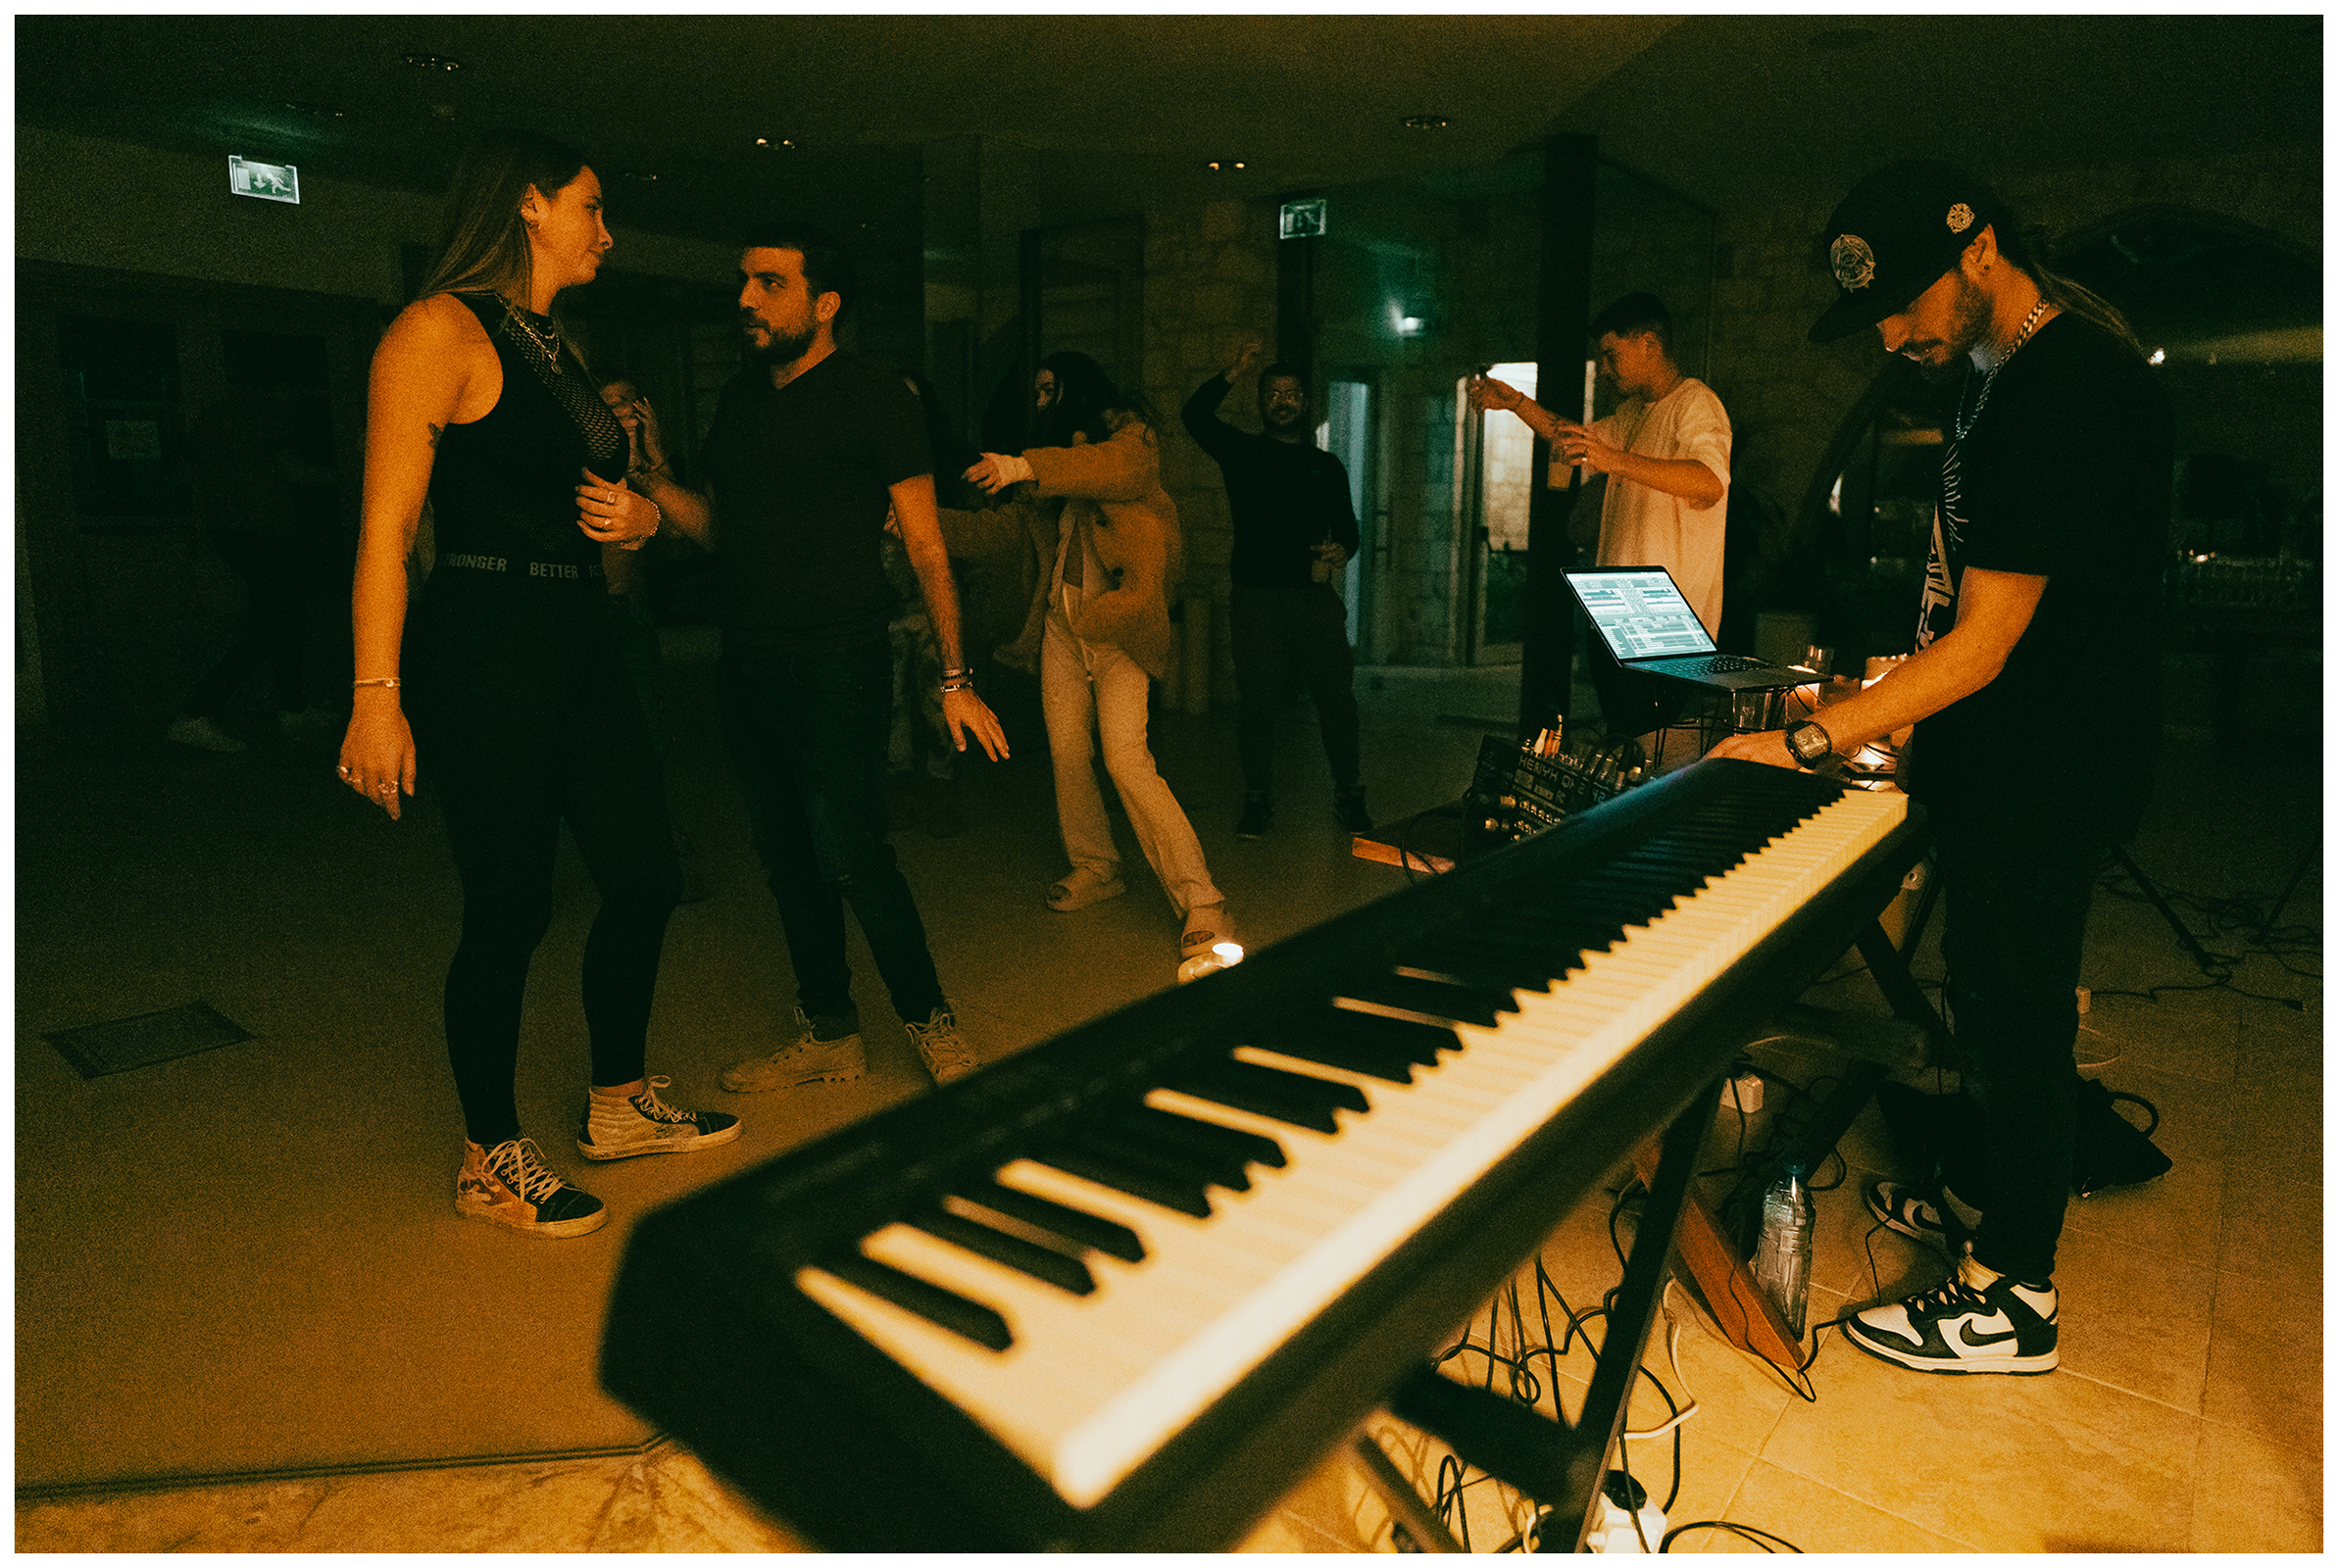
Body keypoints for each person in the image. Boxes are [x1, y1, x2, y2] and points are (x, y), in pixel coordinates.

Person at [1712, 159, 2172, 1375]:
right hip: (1999, 747)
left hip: (2048, 757)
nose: (1891, 331)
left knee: (2017, 1010)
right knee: (1982, 989)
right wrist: (1881, 704)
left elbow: (1989, 642)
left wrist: (1818, 735)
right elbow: (1956, 598)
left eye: (1907, 300)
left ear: (1979, 254)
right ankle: (1993, 1196)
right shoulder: (1990, 377)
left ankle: (2013, 1296)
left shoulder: (2067, 385)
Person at [337, 129, 737, 1241]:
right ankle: (489, 1156)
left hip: (579, 632)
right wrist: (377, 691)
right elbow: (385, 528)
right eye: (592, 206)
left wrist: (647, 518)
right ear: (527, 204)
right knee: (510, 903)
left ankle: (617, 1104)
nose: (607, 230)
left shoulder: (548, 340)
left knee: (648, 873)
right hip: (486, 641)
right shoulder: (437, 331)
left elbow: (604, 491)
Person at [624, 224, 1008, 1091]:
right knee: (784, 855)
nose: (745, 300)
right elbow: (724, 531)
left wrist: (956, 680)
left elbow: (926, 547)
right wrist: (650, 479)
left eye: (768, 284)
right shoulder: (738, 400)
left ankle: (928, 1019)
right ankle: (829, 1030)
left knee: (853, 851)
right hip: (747, 661)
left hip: (839, 659)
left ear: (824, 304)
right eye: (743, 282)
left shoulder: (876, 398)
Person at [958, 351, 1231, 972]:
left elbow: (1114, 471)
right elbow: (1002, 534)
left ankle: (1203, 900)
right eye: (1037, 390)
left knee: (1127, 758)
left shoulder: (1131, 439)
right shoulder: (1051, 469)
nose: (1041, 400)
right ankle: (1095, 867)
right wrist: (915, 524)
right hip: (1061, 625)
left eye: (1051, 388)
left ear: (1079, 389)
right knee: (1065, 750)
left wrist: (1026, 464)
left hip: (1119, 626)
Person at [1469, 294, 1732, 753]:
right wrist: (1515, 403)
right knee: (1621, 747)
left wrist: (1612, 459)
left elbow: (1709, 482)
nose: (1605, 369)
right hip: (1619, 611)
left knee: (1644, 753)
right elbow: (1571, 436)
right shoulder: (1634, 412)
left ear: (1649, 345)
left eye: (1612, 355)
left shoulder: (1696, 403)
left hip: (1667, 622)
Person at [1181, 342, 1369, 839]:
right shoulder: (1242, 453)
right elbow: (1193, 415)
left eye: (1292, 395)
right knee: (1257, 703)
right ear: (1262, 401)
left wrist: (1342, 552)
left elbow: (1349, 528)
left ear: (1305, 403)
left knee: (1337, 701)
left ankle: (1349, 793)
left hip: (1313, 599)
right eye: (1273, 394)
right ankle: (1257, 800)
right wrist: (1232, 372)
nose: (1282, 402)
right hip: (1256, 599)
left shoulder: (1326, 465)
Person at [169, 380, 337, 753]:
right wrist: (341, 476)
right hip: (267, 530)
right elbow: (295, 471)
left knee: (280, 617)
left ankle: (292, 705)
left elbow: (188, 473)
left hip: (229, 530)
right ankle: (197, 711)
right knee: (274, 622)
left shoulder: (213, 417)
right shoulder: (271, 416)